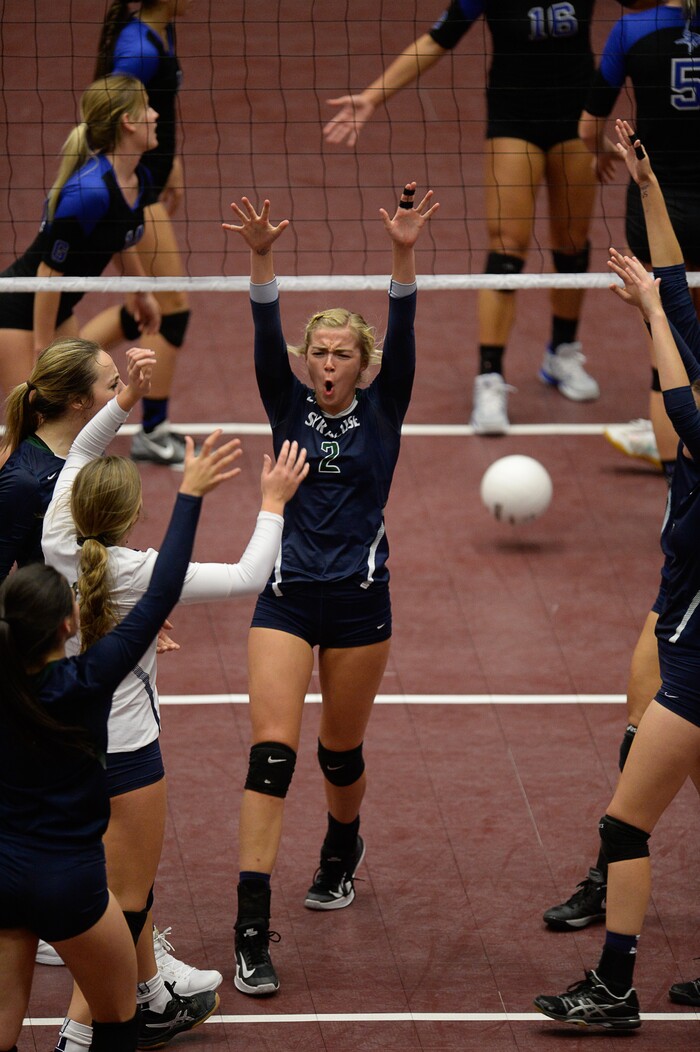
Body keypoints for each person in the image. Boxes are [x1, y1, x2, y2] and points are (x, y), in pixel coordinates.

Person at [42, 356, 308, 1049]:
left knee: (111, 887)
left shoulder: (53, 541)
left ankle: (150, 994)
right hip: (127, 758)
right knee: (123, 905)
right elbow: (252, 574)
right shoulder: (140, 571)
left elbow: (77, 453)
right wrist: (272, 501)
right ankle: (79, 1032)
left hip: (62, 750)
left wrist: (123, 402)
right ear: (130, 513)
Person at [222, 182, 438, 996]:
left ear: (364, 364)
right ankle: (250, 929)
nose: (329, 364)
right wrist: (262, 258)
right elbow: (261, 324)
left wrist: (404, 254)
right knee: (272, 755)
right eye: (319, 353)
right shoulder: (285, 403)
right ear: (304, 362)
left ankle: (341, 849)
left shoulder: (388, 403)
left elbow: (406, 321)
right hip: (284, 598)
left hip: (359, 602)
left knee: (337, 754)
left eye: (344, 353)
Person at [0, 427, 239, 1052]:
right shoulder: (90, 681)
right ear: (68, 622)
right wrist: (189, 495)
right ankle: (125, 1012)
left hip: (3, 871)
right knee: (117, 1023)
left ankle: (154, 991)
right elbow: (160, 591)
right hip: (71, 882)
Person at [535, 134, 700, 1031]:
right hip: (683, 625)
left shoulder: (699, 413)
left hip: (698, 654)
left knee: (625, 823)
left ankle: (613, 987)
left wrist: (651, 317)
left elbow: (678, 407)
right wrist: (651, 185)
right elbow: (675, 289)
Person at [323, 1, 600, 434]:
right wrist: (374, 97)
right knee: (507, 248)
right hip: (515, 119)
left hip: (579, 116)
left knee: (572, 241)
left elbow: (644, 19)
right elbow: (438, 38)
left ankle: (561, 352)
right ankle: (489, 376)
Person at [579, 0, 700, 480]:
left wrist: (600, 156)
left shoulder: (632, 29)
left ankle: (677, 484)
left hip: (658, 209)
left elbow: (589, 127)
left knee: (667, 342)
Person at [81, 0, 194, 467]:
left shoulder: (156, 31)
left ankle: (64, 368)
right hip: (132, 193)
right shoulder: (138, 50)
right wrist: (125, 185)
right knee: (172, 310)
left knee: (148, 310)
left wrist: (169, 160)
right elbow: (107, 120)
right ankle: (152, 432)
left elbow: (153, 112)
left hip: (144, 181)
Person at [0, 74, 160, 399]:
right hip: (19, 307)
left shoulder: (138, 178)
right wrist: (43, 349)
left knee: (74, 413)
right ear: (128, 122)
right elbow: (47, 273)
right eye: (147, 107)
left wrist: (141, 293)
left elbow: (123, 238)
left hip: (59, 306)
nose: (156, 115)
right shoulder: (88, 192)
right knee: (30, 424)